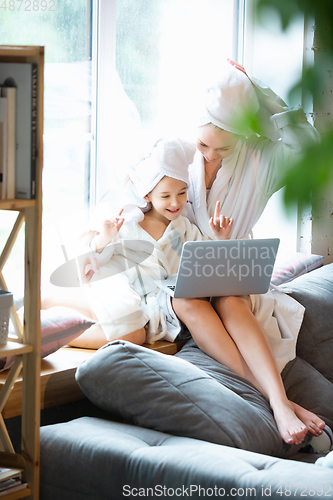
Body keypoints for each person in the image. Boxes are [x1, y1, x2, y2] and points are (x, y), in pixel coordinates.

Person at [77, 137, 324, 447]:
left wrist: (220, 241)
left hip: (192, 296)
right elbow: (94, 263)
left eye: (181, 193)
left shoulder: (184, 227)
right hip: (159, 306)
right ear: (146, 194)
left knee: (218, 295)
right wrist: (105, 238)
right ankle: (281, 403)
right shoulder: (127, 228)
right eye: (165, 195)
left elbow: (207, 264)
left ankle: (280, 400)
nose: (175, 202)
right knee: (185, 298)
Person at [182, 60, 321, 240]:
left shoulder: (258, 160)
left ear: (241, 137)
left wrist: (262, 96)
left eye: (224, 148)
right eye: (202, 144)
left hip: (236, 265)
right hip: (179, 266)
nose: (211, 155)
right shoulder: (180, 158)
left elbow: (308, 150)